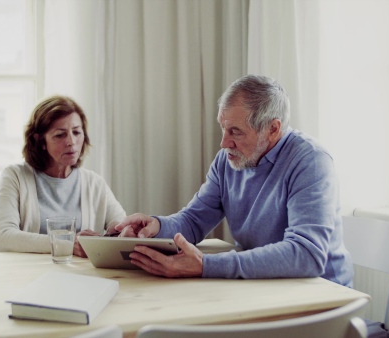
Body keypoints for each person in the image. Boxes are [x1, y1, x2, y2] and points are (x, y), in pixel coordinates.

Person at [115, 74, 353, 287]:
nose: (224, 143)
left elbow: (307, 255)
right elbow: (195, 220)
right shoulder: (228, 160)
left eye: (236, 132)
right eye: (223, 128)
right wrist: (157, 226)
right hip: (266, 288)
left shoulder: (311, 161)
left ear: (272, 129)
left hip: (323, 299)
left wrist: (206, 265)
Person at [0, 95, 126, 257]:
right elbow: (3, 237)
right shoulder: (15, 176)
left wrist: (121, 232)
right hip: (28, 274)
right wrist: (67, 244)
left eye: (77, 132)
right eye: (60, 135)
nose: (71, 141)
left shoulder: (94, 183)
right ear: (40, 141)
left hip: (82, 276)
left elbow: (122, 226)